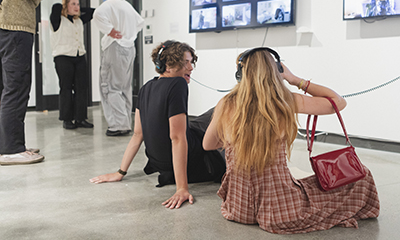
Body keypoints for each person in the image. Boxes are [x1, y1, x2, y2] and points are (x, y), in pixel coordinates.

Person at [203, 47, 380, 234]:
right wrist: (295, 80)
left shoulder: (227, 103)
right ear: (277, 71)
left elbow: (208, 144)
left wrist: (236, 139)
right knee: (362, 175)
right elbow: (338, 101)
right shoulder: (286, 100)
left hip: (238, 208)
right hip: (280, 211)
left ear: (241, 74)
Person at [90, 41, 226, 210]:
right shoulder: (178, 84)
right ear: (168, 65)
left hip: (161, 165)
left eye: (191, 62)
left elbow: (137, 135)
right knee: (225, 109)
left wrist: (120, 172)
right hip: (193, 160)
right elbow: (177, 138)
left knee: (209, 115)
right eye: (186, 62)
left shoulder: (145, 87)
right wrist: (182, 188)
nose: (191, 68)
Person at [0, 0, 47, 165]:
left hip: (4, 28)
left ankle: (7, 145)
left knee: (6, 88)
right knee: (16, 87)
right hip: (15, 28)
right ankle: (11, 148)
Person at [93, 0, 144, 136]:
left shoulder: (108, 4)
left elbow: (97, 15)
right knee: (124, 87)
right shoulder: (127, 6)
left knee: (109, 87)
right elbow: (140, 22)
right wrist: (129, 34)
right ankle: (126, 123)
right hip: (129, 48)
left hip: (114, 47)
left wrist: (109, 30)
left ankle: (117, 125)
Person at [50, 0, 94, 129]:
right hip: (63, 57)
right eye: (73, 4)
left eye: (78, 4)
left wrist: (78, 9)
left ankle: (80, 118)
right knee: (66, 88)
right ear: (66, 6)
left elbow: (93, 12)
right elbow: (56, 7)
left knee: (82, 88)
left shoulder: (79, 20)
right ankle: (67, 119)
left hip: (79, 56)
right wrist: (65, 6)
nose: (77, 7)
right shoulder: (57, 20)